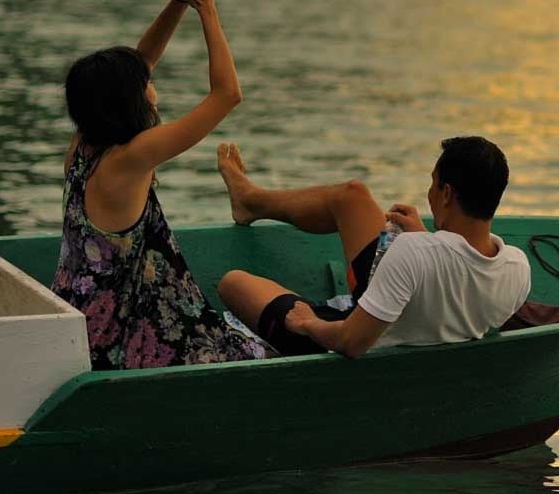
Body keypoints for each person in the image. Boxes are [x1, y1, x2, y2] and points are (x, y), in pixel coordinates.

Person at [51, 0, 271, 369]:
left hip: (81, 320)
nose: (153, 84)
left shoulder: (83, 147)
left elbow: (140, 63)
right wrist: (207, 8)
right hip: (124, 337)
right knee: (253, 348)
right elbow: (227, 93)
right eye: (146, 85)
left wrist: (179, 3)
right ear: (129, 102)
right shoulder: (131, 159)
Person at [214, 136, 531, 358]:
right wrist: (426, 237)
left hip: (349, 340)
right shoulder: (517, 267)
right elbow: (461, 285)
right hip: (406, 314)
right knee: (353, 196)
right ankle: (249, 201)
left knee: (233, 283)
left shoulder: (413, 252)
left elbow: (351, 343)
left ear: (447, 194)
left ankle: (249, 202)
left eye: (433, 184)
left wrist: (308, 323)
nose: (429, 193)